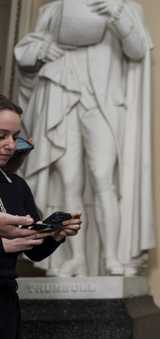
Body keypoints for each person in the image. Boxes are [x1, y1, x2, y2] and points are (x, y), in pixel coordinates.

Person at [13, 0, 154, 276]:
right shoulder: (54, 11)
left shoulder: (123, 7)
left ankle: (112, 256)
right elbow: (26, 58)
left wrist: (117, 16)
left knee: (103, 177)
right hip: (61, 94)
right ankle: (76, 256)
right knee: (68, 182)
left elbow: (138, 50)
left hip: (102, 103)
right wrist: (41, 49)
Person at [0, 94, 81, 339]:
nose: (11, 145)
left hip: (5, 301)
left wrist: (55, 234)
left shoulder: (16, 185)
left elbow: (33, 251)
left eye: (15, 137)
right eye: (1, 136)